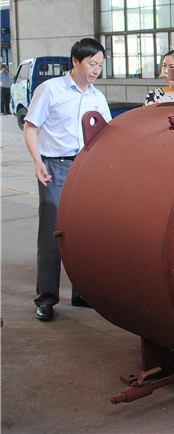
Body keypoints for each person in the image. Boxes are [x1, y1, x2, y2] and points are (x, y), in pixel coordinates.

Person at [24, 38, 112, 322]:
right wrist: (38, 162)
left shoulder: (97, 98)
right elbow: (30, 127)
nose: (96, 69)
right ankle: (46, 299)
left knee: (83, 233)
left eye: (100, 64)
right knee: (53, 233)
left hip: (86, 168)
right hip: (55, 167)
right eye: (92, 63)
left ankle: (81, 292)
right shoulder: (50, 90)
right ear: (75, 61)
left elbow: (106, 135)